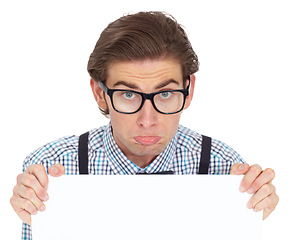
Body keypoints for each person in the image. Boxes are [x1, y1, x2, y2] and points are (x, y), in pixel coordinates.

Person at [10, 11, 279, 240]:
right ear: (100, 94)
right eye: (128, 95)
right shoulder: (49, 169)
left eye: (165, 94)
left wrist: (255, 218)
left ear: (188, 90)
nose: (148, 120)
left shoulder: (225, 169)